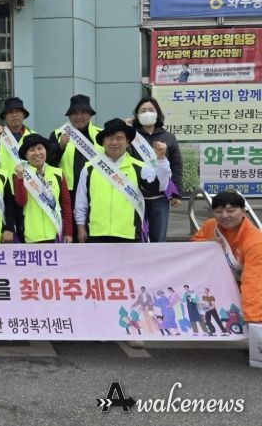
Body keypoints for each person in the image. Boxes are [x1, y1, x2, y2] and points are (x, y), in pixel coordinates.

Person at [74, 118, 172, 243]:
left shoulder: (139, 167)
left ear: (127, 143)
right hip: (96, 233)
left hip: (129, 234)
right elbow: (81, 201)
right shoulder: (90, 168)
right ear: (103, 142)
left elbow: (161, 185)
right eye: (110, 138)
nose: (114, 142)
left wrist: (161, 159)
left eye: (119, 138)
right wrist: (81, 227)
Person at [190, 191, 262, 328]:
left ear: (243, 212)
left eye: (230, 211)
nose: (224, 216)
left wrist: (254, 321)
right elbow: (191, 248)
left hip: (245, 290)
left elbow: (254, 282)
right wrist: (208, 243)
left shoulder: (255, 242)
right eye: (218, 211)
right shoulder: (211, 225)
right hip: (217, 285)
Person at [129, 97, 183, 242]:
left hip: (160, 197)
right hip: (136, 196)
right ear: (137, 115)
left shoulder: (168, 137)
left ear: (157, 113)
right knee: (137, 237)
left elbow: (176, 165)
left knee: (158, 238)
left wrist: (176, 194)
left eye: (151, 110)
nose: (147, 113)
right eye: (143, 110)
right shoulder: (131, 136)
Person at [12, 134, 72, 243]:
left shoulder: (57, 173)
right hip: (31, 236)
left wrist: (68, 232)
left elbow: (66, 204)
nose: (37, 153)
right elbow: (21, 201)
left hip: (56, 234)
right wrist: (20, 178)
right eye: (32, 150)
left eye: (40, 148)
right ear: (26, 155)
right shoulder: (20, 174)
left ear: (46, 151)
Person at [48, 94, 103, 209]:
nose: (79, 117)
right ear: (69, 116)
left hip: (96, 188)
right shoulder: (58, 134)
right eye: (74, 113)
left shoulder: (101, 135)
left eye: (83, 112)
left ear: (90, 114)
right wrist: (60, 147)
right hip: (67, 191)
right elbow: (49, 163)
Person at [0, 97, 36, 178]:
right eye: (10, 112)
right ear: (5, 116)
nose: (14, 115)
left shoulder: (33, 136)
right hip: (4, 182)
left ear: (23, 114)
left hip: (28, 183)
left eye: (17, 111)